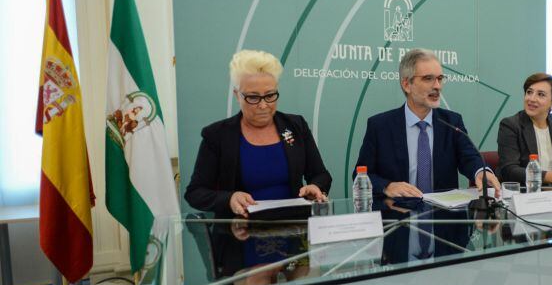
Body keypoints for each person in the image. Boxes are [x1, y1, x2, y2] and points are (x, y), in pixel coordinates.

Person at [185, 50, 332, 218]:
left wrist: (315, 187)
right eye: (253, 98)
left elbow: (321, 175)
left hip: (293, 229)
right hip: (239, 234)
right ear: (237, 95)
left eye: (270, 95)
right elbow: (195, 193)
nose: (263, 105)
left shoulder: (296, 126)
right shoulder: (217, 135)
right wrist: (229, 198)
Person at [354, 48, 501, 198]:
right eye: (428, 78)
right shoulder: (380, 126)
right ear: (406, 84)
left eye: (440, 78)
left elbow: (470, 158)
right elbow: (361, 174)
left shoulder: (452, 122)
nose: (437, 86)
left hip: (442, 215)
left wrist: (481, 171)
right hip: (397, 214)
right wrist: (387, 186)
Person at [496, 72, 552, 186]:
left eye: (541, 94)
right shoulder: (511, 125)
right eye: (529, 92)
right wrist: (551, 177)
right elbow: (510, 170)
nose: (532, 99)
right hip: (522, 194)